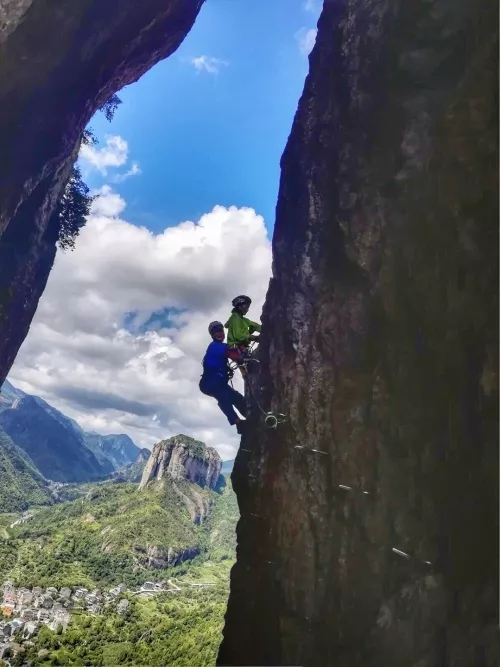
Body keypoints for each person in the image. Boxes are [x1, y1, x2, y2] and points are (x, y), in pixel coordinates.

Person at [199, 321, 248, 434]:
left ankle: (249, 415)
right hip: (210, 383)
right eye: (216, 332)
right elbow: (232, 354)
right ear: (212, 335)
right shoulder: (215, 346)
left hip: (216, 383)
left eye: (220, 330)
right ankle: (238, 422)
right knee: (224, 398)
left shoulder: (219, 347)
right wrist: (242, 357)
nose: (219, 333)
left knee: (236, 397)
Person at [224, 295, 261, 374]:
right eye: (246, 306)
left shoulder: (243, 320)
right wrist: (253, 337)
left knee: (249, 371)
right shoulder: (235, 318)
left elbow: (255, 326)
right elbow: (239, 336)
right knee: (251, 369)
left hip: (241, 350)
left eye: (248, 307)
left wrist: (265, 330)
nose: (247, 309)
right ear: (239, 306)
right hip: (236, 350)